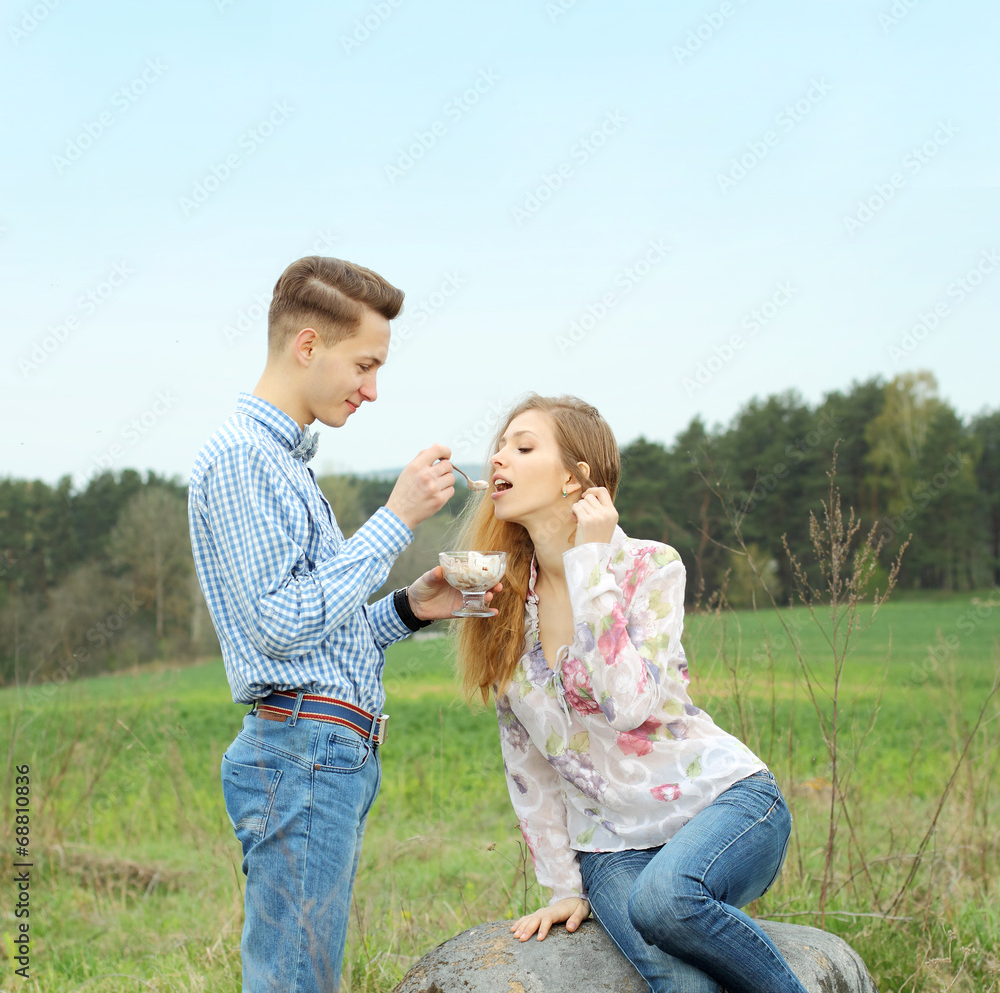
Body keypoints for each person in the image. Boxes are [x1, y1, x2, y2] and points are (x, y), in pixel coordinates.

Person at [187, 256, 498, 993]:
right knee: (297, 982)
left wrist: (407, 608)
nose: (372, 389)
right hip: (303, 752)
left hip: (322, 751)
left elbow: (315, 628)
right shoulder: (240, 459)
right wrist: (395, 521)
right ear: (306, 346)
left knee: (306, 977)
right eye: (364, 364)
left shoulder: (286, 464)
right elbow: (276, 627)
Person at [453, 394, 808, 993]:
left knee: (666, 902)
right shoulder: (504, 603)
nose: (498, 457)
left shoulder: (649, 566)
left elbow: (628, 704)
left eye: (523, 445)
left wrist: (591, 562)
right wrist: (564, 888)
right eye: (499, 446)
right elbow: (528, 764)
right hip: (611, 845)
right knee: (676, 978)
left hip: (724, 804)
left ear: (575, 477)